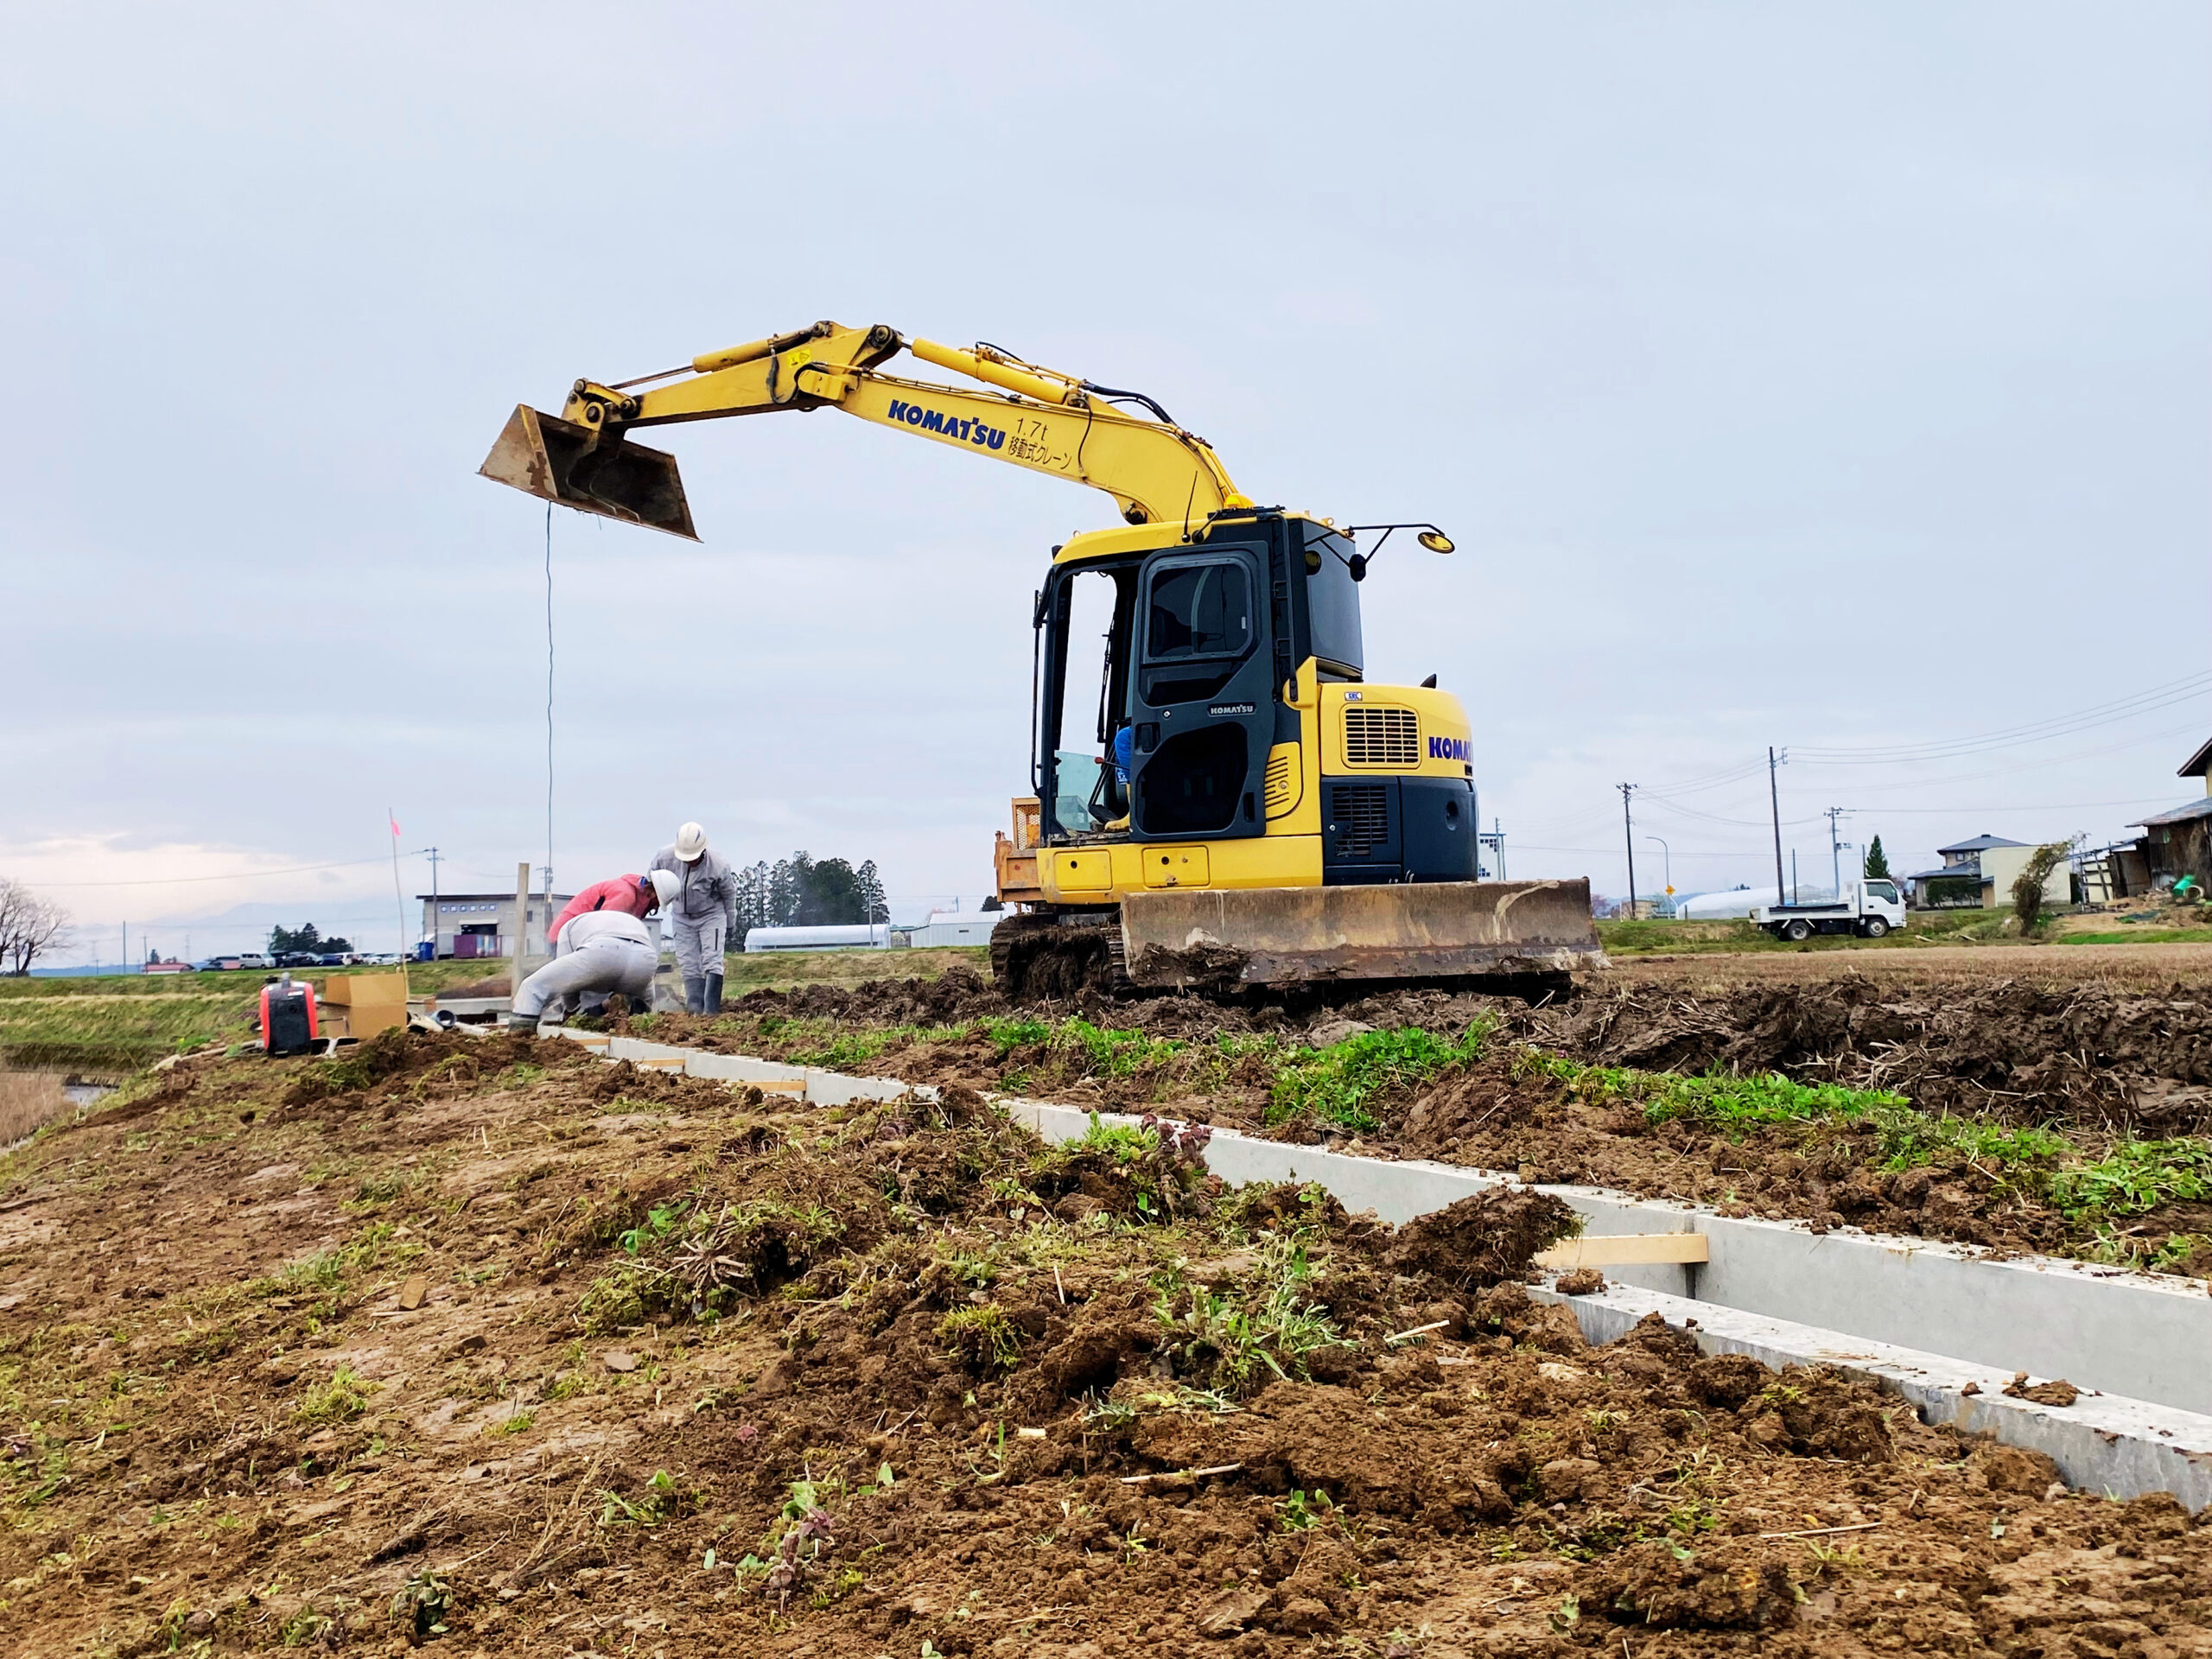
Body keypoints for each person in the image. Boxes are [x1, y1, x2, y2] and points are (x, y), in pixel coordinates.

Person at [505, 907, 657, 1030]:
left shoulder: (567, 928)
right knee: (633, 1001)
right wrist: (647, 1007)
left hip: (602, 953)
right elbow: (648, 991)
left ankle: (519, 1042)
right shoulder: (624, 921)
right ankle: (620, 1008)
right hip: (645, 960)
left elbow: (567, 988)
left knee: (532, 988)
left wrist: (570, 1010)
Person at [650, 821, 737, 1014]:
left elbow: (729, 894)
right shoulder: (664, 858)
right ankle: (695, 1008)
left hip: (711, 915)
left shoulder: (718, 865)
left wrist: (731, 922)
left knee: (712, 959)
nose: (689, 862)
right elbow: (652, 881)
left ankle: (711, 1010)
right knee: (688, 962)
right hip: (681, 915)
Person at [551, 869, 679, 944]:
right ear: (653, 894)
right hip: (566, 936)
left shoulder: (636, 898)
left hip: (576, 935)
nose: (655, 907)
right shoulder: (625, 895)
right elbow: (605, 931)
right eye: (658, 903)